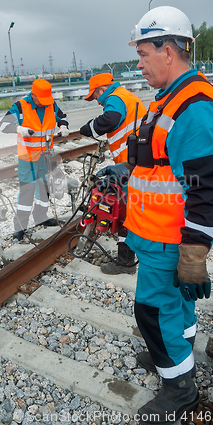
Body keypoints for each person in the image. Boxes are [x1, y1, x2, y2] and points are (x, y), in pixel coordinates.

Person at [98, 6, 213, 423]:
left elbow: (207, 190)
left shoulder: (194, 108)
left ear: (168, 50)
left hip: (170, 237)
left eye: (143, 54)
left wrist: (194, 253)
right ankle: (178, 354)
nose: (138, 64)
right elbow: (156, 158)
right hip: (152, 231)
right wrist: (125, 169)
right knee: (177, 307)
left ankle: (180, 388)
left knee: (153, 312)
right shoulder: (170, 99)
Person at [80, 73, 147, 275]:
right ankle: (131, 256)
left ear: (101, 89)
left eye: (95, 96)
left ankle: (125, 263)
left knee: (125, 214)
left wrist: (89, 128)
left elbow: (111, 119)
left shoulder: (114, 98)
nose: (98, 102)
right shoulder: (125, 95)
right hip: (136, 162)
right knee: (132, 211)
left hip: (131, 166)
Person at [0, 78, 69, 241]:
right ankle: (20, 227)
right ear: (34, 96)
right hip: (28, 158)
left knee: (45, 188)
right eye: (41, 101)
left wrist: (63, 126)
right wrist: (18, 128)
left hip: (46, 155)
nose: (44, 104)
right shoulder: (20, 106)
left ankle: (41, 217)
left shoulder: (51, 104)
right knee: (27, 192)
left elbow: (62, 117)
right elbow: (2, 125)